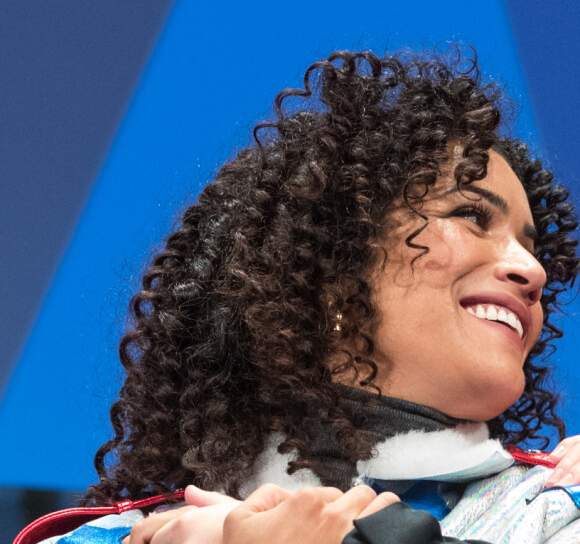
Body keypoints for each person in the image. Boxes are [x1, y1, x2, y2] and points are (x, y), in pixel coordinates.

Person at [31, 46, 580, 543]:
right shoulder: (128, 539)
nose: (530, 268)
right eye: (471, 215)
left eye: (531, 247)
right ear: (336, 277)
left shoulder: (560, 511)